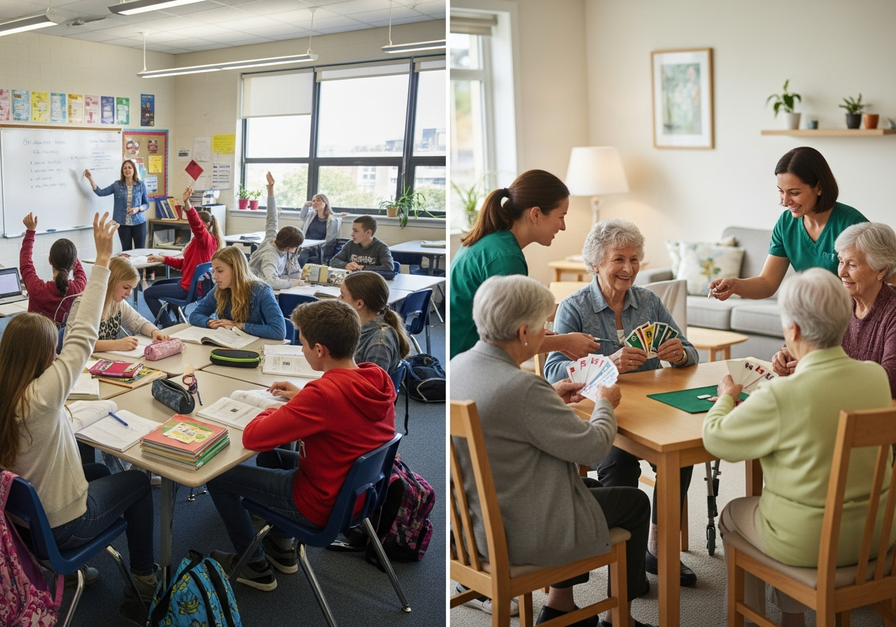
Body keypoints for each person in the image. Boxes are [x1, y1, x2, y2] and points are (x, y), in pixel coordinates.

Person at [451, 274, 655, 627]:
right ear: (523, 332)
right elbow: (594, 448)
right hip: (519, 532)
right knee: (635, 504)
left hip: (472, 523)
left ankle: (560, 607)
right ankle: (619, 619)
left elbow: (510, 419)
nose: (547, 333)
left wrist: (551, 394)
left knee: (589, 489)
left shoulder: (459, 366)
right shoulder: (522, 387)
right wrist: (605, 403)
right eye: (543, 327)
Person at [704, 268, 894, 627]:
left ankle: (768, 620)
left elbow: (716, 439)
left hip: (809, 544)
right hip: (877, 537)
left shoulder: (781, 394)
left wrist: (726, 397)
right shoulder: (876, 377)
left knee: (732, 513)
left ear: (792, 330)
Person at [0, 213, 158, 601]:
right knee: (139, 483)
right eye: (52, 351)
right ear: (42, 355)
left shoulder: (10, 391)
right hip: (60, 527)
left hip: (22, 521)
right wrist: (102, 260)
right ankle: (144, 578)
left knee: (100, 469)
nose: (57, 357)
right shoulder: (41, 397)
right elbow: (81, 337)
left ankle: (72, 571)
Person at [544, 218, 700, 587]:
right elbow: (553, 371)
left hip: (651, 408)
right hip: (597, 412)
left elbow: (691, 352)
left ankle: (658, 550)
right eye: (618, 259)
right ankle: (626, 569)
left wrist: (679, 354)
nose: (628, 268)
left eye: (633, 259)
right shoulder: (575, 307)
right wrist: (606, 364)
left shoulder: (649, 302)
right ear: (595, 263)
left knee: (681, 454)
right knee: (620, 461)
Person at [205, 299, 396, 591]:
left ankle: (253, 564)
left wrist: (273, 410)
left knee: (218, 477)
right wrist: (303, 399)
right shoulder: (377, 378)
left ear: (319, 350)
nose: (302, 350)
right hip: (359, 496)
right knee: (276, 453)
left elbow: (253, 437)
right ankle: (281, 547)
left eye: (303, 344)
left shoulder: (322, 395)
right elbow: (338, 408)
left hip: (319, 504)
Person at [448, 169, 600, 360]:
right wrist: (566, 342)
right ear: (535, 214)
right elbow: (512, 339)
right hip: (466, 357)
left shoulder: (493, 242)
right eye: (561, 217)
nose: (563, 226)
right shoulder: (506, 257)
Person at [708, 146, 867, 301]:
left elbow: (871, 285)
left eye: (794, 192)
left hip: (850, 312)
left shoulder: (852, 225)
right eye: (781, 191)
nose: (785, 201)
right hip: (813, 311)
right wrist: (734, 285)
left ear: (819, 187)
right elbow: (767, 283)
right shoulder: (786, 223)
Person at [772, 222, 896, 396]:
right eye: (841, 261)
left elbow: (889, 381)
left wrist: (815, 371)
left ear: (881, 270)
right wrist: (789, 353)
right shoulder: (837, 298)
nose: (841, 272)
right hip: (829, 397)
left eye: (852, 265)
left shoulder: (892, 312)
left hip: (873, 409)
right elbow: (804, 337)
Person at [143, 185, 224, 326]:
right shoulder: (200, 242)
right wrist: (163, 259)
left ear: (207, 225)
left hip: (190, 289)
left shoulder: (206, 241)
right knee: (158, 284)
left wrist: (187, 204)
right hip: (192, 284)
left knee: (148, 293)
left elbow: (196, 225)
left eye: (199, 224)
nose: (193, 227)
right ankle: (178, 317)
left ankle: (167, 324)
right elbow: (185, 264)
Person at [66, 256, 169, 352]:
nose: (129, 293)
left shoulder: (117, 302)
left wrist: (154, 331)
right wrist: (116, 344)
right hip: (84, 363)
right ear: (110, 282)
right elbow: (75, 346)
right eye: (126, 287)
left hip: (105, 359)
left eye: (132, 288)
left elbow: (138, 322)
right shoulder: (83, 304)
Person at [189, 246, 285, 341]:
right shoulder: (219, 289)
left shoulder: (261, 290)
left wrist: (237, 325)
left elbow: (278, 331)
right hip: (230, 342)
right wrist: (211, 323)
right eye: (213, 271)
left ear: (236, 270)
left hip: (257, 345)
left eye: (220, 271)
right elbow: (195, 315)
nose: (214, 276)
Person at [19, 212, 86, 326]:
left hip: (35, 337)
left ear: (50, 260)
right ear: (74, 264)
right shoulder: (78, 288)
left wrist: (30, 232)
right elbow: (80, 273)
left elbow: (26, 264)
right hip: (66, 338)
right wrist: (70, 253)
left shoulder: (37, 290)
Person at [338, 271, 411, 373]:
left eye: (342, 296)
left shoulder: (379, 344)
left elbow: (372, 382)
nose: (338, 299)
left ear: (359, 304)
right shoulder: (357, 326)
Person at [248, 172, 305, 289]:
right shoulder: (271, 255)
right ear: (290, 247)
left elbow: (272, 216)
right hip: (253, 290)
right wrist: (293, 283)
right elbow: (270, 282)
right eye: (296, 246)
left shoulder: (272, 238)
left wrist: (271, 188)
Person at [84, 160, 150, 251]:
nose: (127, 170)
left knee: (140, 251)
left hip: (139, 223)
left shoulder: (140, 185)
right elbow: (101, 192)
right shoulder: (117, 185)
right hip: (123, 224)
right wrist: (90, 179)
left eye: (129, 168)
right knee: (126, 251)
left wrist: (138, 208)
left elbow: (146, 204)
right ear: (122, 171)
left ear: (134, 170)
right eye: (125, 168)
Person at [329, 216, 395, 276]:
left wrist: (362, 267)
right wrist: (346, 265)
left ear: (368, 233)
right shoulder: (350, 244)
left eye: (356, 231)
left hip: (372, 281)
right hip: (353, 279)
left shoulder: (381, 247)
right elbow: (333, 261)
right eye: (353, 230)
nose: (352, 234)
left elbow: (388, 267)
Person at [296, 193, 346, 266]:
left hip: (320, 249)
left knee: (308, 260)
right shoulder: (311, 214)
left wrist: (315, 247)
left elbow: (329, 240)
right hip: (305, 246)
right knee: (300, 258)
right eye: (313, 201)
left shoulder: (332, 220)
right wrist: (306, 206)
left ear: (325, 202)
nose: (315, 203)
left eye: (318, 200)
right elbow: (302, 217)